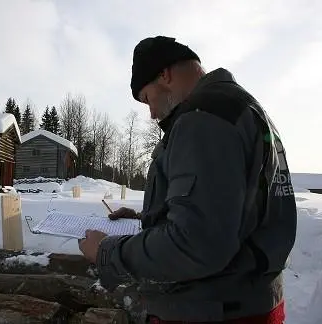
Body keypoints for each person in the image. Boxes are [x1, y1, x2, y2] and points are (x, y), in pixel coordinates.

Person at [78, 36, 297, 323]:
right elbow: (234, 208)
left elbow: (196, 244)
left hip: (212, 309)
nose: (152, 114)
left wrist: (107, 252)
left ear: (165, 75)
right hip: (251, 301)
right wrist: (152, 214)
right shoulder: (242, 107)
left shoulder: (203, 118)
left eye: (147, 99)